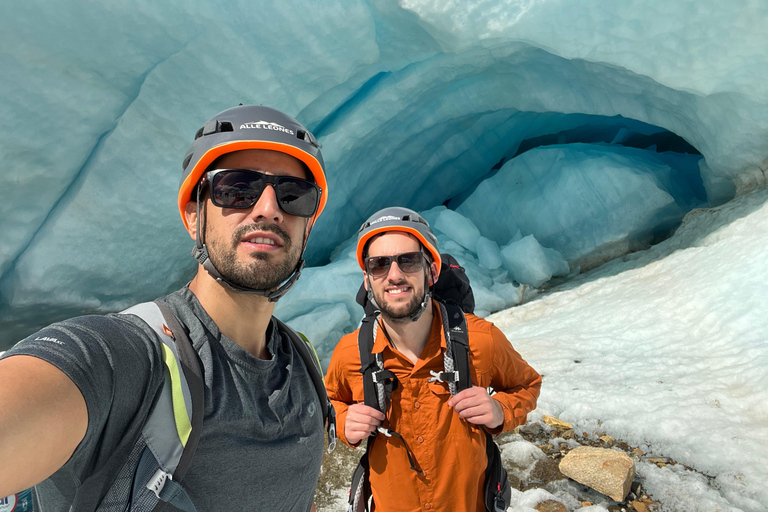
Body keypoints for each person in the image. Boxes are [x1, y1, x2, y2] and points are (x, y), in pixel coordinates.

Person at [0, 105, 332, 512]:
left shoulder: (303, 361)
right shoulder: (130, 357)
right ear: (194, 216)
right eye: (236, 188)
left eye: (293, 195)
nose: (267, 208)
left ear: (308, 225)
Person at [324, 207, 542, 512]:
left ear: (433, 271)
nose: (394, 275)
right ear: (367, 278)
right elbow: (326, 403)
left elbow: (527, 384)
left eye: (408, 260)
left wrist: (500, 410)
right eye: (379, 265)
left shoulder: (481, 341)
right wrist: (343, 421)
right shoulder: (351, 354)